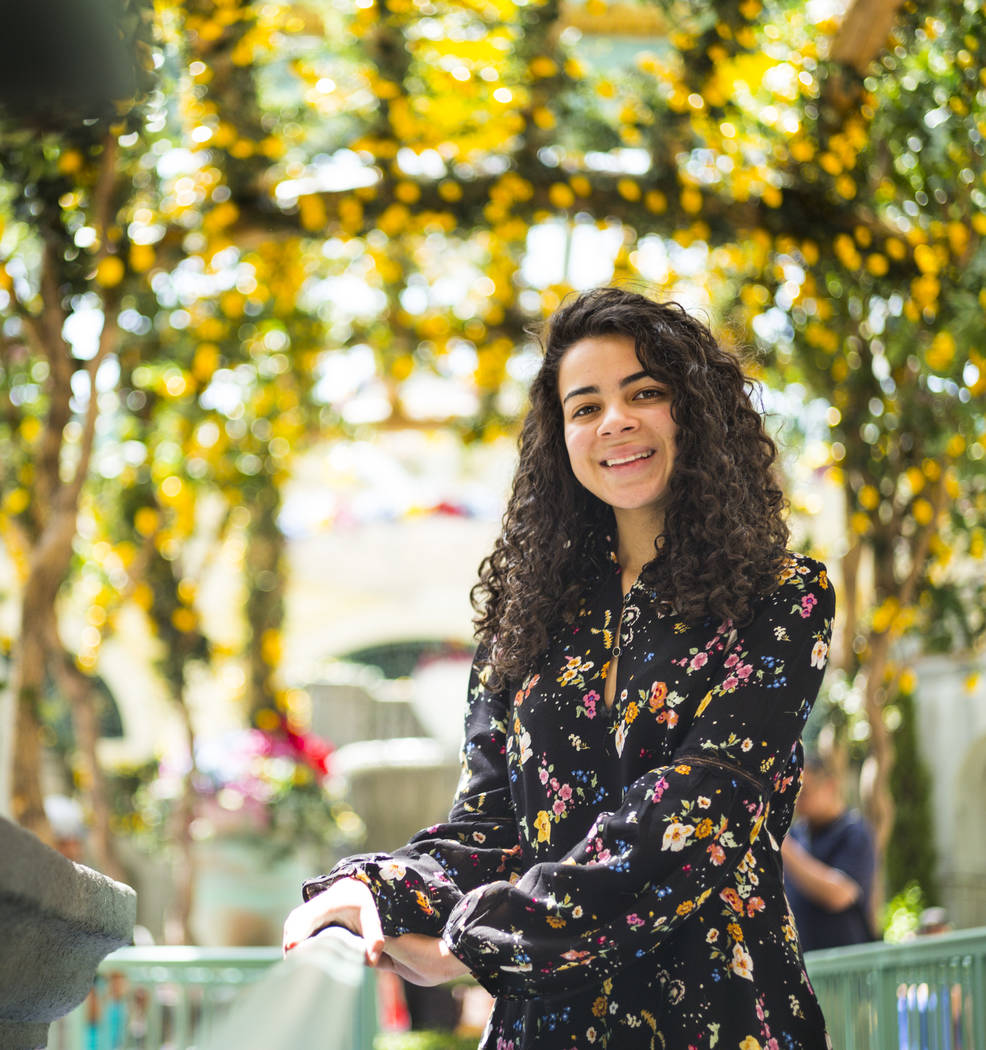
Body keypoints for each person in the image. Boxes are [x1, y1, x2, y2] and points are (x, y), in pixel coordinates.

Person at [284, 287, 837, 1048]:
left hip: (719, 1017)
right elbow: (490, 830)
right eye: (585, 406)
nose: (615, 420)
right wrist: (377, 887)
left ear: (697, 414)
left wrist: (473, 942)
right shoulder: (527, 621)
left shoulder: (782, 598)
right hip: (548, 1028)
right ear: (561, 438)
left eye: (645, 392)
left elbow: (696, 815)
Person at [782, 753, 876, 951]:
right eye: (794, 793)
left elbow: (839, 894)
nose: (798, 801)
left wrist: (783, 847)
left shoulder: (855, 832)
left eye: (805, 792)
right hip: (806, 965)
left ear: (830, 786)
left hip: (847, 967)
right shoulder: (796, 835)